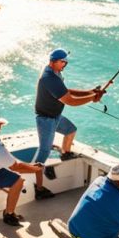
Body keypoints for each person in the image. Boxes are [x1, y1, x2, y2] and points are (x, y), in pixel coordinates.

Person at [0, 113, 54, 227]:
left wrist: (32, 167)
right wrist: (35, 168)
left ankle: (31, 190)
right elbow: (16, 167)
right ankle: (9, 214)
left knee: (20, 170)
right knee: (18, 182)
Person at [34, 48, 104, 179]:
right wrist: (92, 98)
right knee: (44, 152)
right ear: (53, 61)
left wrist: (90, 92)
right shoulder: (49, 78)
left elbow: (65, 91)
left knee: (71, 130)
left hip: (55, 116)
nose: (65, 64)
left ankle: (65, 154)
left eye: (66, 61)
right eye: (62, 61)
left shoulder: (55, 72)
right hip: (46, 119)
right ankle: (38, 186)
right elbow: (70, 101)